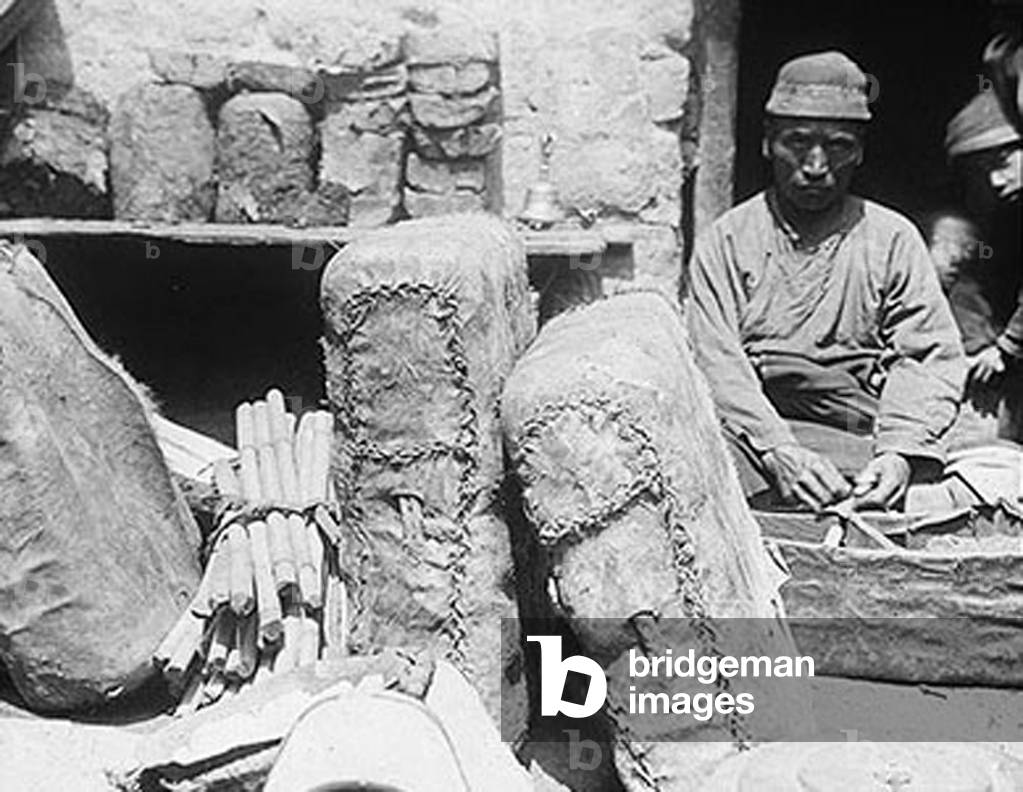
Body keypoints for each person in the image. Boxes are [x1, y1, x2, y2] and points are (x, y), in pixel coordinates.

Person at [686, 51, 967, 513]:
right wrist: (779, 451)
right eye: (797, 142)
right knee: (699, 482)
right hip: (757, 439)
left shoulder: (891, 238)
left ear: (859, 151)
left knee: (990, 484)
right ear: (767, 143)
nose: (816, 165)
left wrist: (898, 453)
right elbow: (715, 360)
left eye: (837, 145)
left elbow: (928, 354)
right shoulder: (729, 240)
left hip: (865, 439)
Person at [928, 85, 1022, 448]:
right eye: (983, 172)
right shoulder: (995, 226)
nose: (996, 181)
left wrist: (1006, 347)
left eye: (1003, 161)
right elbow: (973, 282)